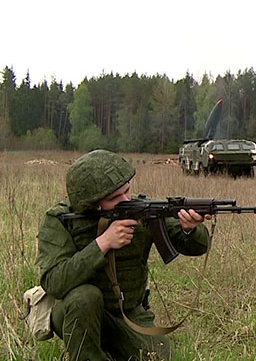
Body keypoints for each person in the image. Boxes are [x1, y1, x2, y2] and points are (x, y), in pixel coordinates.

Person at [36, 150, 211, 361]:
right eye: (114, 198)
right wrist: (103, 243)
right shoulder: (60, 219)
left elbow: (197, 247)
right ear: (92, 203)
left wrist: (190, 229)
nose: (126, 199)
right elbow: (54, 281)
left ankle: (109, 348)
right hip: (77, 311)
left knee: (160, 355)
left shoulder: (143, 211)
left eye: (127, 190)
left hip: (128, 312)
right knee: (85, 298)